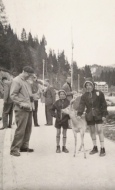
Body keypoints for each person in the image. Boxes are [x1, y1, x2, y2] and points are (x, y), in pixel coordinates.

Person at [77, 78, 108, 157]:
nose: (88, 86)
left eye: (90, 85)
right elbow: (81, 105)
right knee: (92, 131)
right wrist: (79, 113)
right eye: (86, 85)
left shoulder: (99, 93)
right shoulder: (84, 96)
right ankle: (95, 147)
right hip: (89, 115)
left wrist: (104, 114)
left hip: (99, 114)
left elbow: (103, 104)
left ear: (93, 85)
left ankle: (102, 148)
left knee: (100, 130)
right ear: (85, 86)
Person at [10, 66, 35, 157]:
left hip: (29, 108)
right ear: (23, 71)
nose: (29, 76)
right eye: (28, 74)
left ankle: (24, 146)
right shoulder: (16, 81)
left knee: (28, 128)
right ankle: (14, 149)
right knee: (20, 129)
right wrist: (21, 103)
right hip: (21, 109)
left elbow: (29, 95)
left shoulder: (27, 81)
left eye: (31, 74)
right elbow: (13, 95)